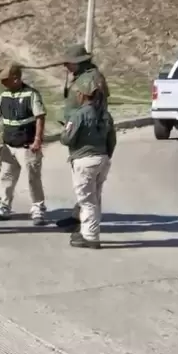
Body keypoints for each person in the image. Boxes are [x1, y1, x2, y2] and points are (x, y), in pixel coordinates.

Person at [56, 44, 111, 230]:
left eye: (69, 63)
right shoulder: (82, 78)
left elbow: (97, 108)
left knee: (89, 187)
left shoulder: (93, 79)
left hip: (86, 134)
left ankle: (88, 227)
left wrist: (81, 124)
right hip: (78, 129)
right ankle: (79, 216)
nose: (66, 66)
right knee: (86, 185)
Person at [59, 75, 116, 249]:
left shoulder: (79, 115)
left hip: (84, 160)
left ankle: (91, 236)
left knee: (87, 200)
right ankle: (87, 231)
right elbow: (112, 140)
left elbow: (66, 139)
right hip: (102, 159)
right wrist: (105, 155)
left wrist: (64, 130)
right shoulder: (106, 115)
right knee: (96, 197)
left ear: (82, 95)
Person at [0, 64, 48, 226]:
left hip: (27, 145)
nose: (2, 83)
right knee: (6, 177)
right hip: (9, 145)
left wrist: (37, 140)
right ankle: (4, 206)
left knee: (32, 178)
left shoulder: (31, 94)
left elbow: (40, 117)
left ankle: (38, 209)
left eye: (5, 80)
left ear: (16, 78)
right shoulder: (4, 95)